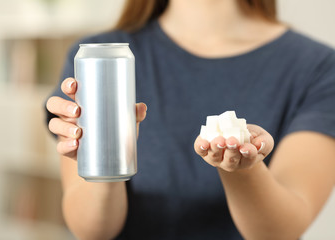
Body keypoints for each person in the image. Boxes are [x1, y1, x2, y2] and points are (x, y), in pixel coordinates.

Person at [45, 0, 335, 239]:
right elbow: (92, 231)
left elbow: (282, 232)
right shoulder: (101, 55)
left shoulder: (318, 67)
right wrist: (106, 156)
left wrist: (241, 165)